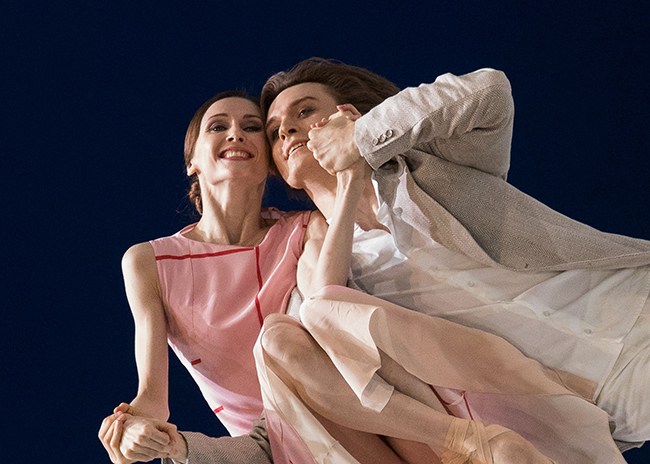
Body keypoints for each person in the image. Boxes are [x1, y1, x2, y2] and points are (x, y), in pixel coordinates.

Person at [259, 58, 650, 453]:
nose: (287, 128)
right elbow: (325, 310)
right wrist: (346, 189)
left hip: (631, 301)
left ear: (346, 112)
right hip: (602, 399)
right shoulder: (335, 265)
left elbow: (491, 92)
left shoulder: (432, 167)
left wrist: (364, 136)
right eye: (274, 132)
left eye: (304, 110)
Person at [98, 90, 322, 463]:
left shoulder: (306, 229)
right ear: (192, 162)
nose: (236, 134)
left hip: (347, 416)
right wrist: (130, 432)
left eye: (252, 128)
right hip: (265, 451)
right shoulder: (150, 262)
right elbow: (152, 400)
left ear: (270, 160)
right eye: (218, 126)